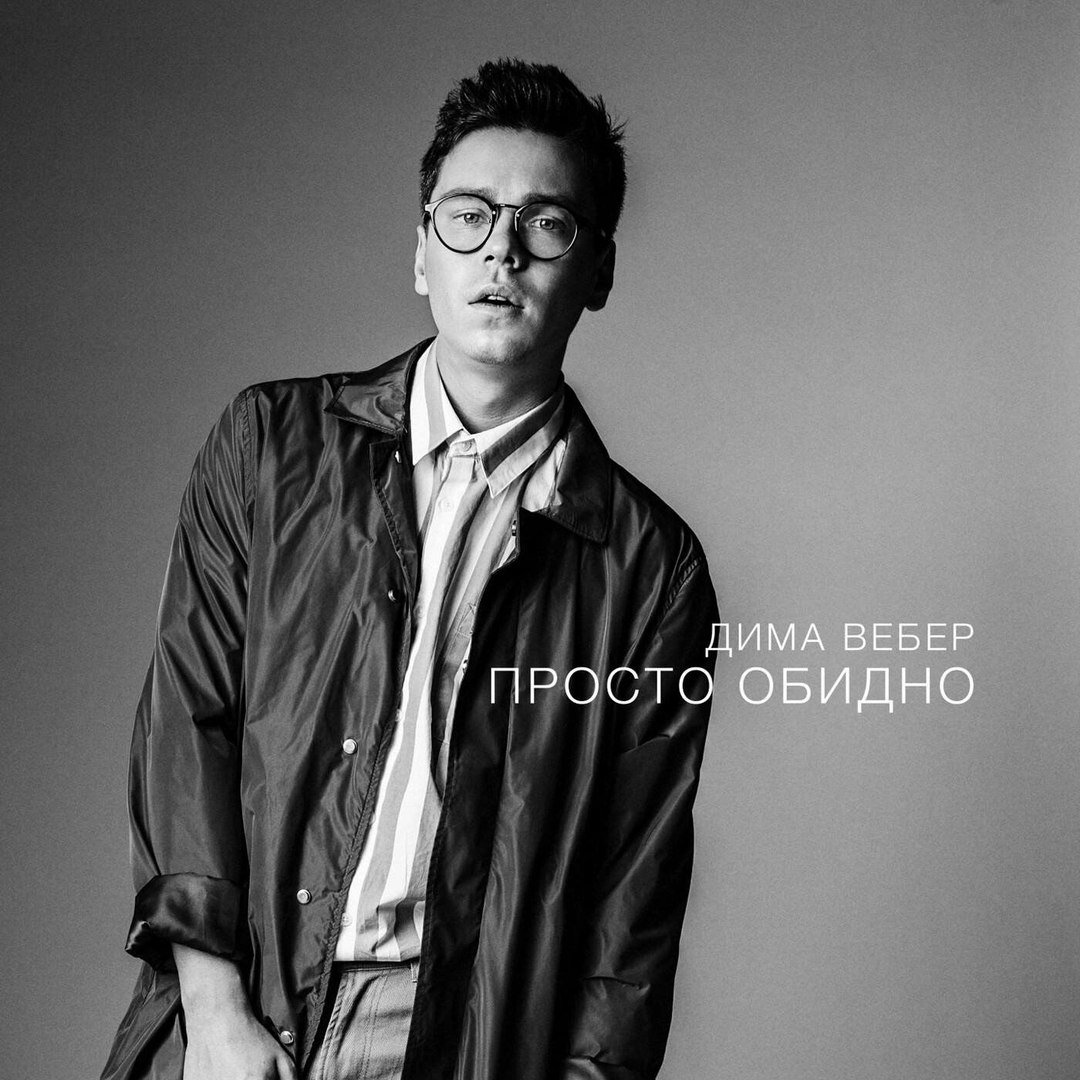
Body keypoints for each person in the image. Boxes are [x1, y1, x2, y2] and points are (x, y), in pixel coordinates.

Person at [102, 58, 720, 1080]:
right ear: (422, 252)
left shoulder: (650, 569)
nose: (502, 252)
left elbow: (632, 905)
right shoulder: (270, 449)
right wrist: (213, 1014)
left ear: (600, 271)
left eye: (547, 225)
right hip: (237, 1007)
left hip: (462, 1036)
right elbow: (186, 727)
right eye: (468, 217)